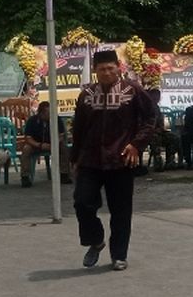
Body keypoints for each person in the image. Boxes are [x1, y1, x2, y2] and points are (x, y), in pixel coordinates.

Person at [70, 49, 158, 271]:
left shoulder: (133, 90)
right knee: (82, 202)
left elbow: (151, 118)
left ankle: (119, 255)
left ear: (118, 67)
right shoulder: (86, 95)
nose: (107, 72)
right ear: (95, 71)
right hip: (90, 159)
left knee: (121, 210)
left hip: (121, 160)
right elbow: (78, 128)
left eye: (110, 68)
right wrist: (74, 158)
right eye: (102, 69)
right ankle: (95, 240)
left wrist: (136, 144)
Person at [19, 100, 72, 188]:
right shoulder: (32, 120)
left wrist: (55, 143)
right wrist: (39, 145)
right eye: (48, 113)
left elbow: (61, 135)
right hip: (36, 145)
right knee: (26, 149)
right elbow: (28, 138)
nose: (50, 115)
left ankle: (64, 174)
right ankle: (25, 177)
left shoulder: (56, 119)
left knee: (64, 148)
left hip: (53, 143)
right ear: (41, 113)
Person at [145, 88, 178, 173]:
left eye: (158, 97)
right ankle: (158, 162)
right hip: (148, 133)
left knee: (174, 137)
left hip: (158, 131)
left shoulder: (157, 108)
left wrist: (161, 128)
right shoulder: (145, 108)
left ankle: (170, 162)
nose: (156, 98)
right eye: (154, 96)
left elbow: (160, 123)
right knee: (155, 138)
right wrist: (153, 130)